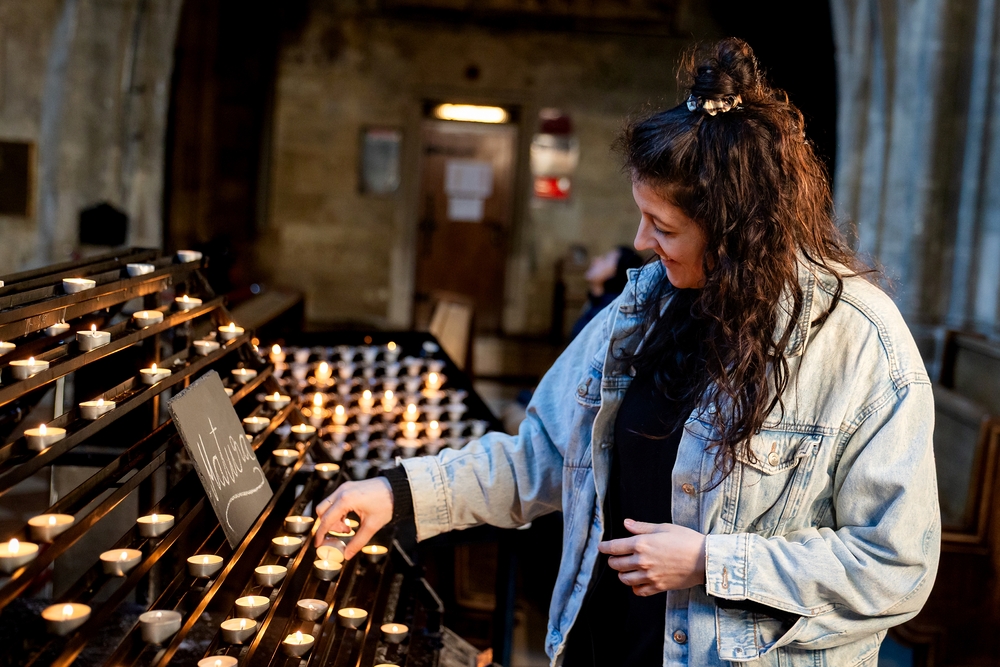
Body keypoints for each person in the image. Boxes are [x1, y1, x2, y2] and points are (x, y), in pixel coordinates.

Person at [315, 38, 939, 667]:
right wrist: (399, 494)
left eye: (663, 227)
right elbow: (543, 458)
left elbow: (897, 567)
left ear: (738, 231)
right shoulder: (648, 308)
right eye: (643, 218)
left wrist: (709, 561)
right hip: (602, 645)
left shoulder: (859, 340)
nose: (642, 242)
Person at [569, 245, 644, 341]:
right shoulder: (595, 302)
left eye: (606, 259)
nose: (596, 260)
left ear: (617, 273)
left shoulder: (611, 314)